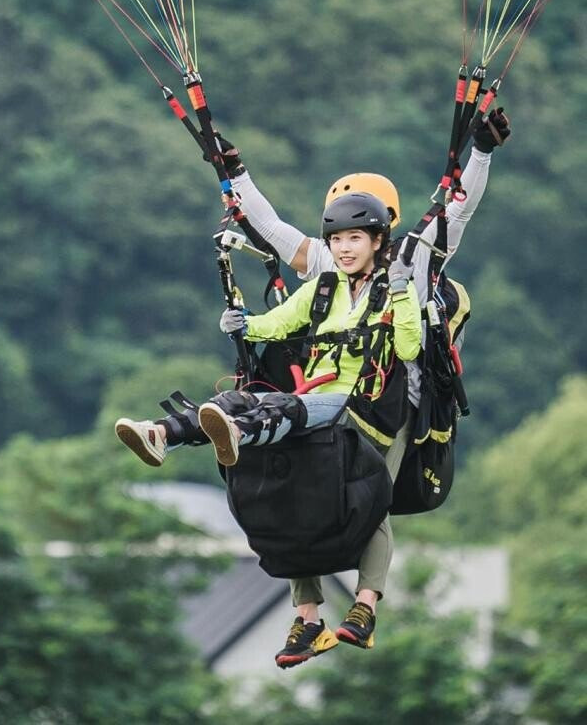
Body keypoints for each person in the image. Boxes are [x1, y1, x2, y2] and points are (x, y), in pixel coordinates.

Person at [115, 191, 423, 666]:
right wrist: (242, 324)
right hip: (312, 399)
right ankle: (163, 434)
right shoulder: (322, 289)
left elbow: (406, 348)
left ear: (377, 241)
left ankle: (365, 606)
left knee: (296, 425)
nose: (343, 248)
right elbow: (276, 325)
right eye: (336, 239)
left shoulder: (392, 290)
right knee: (240, 403)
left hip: (363, 407)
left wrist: (403, 292)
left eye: (354, 238)